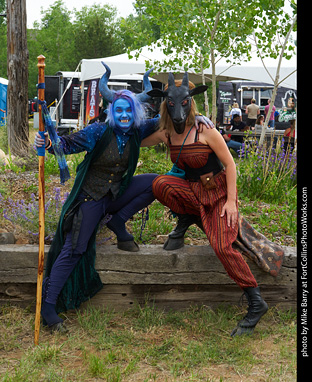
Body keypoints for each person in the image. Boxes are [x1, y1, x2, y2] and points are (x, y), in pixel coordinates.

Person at [34, 63, 210, 332]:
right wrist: (46, 142)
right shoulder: (98, 132)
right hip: (91, 198)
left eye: (129, 110)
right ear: (111, 112)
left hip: (115, 195)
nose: (125, 115)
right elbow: (66, 144)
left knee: (157, 182)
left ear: (135, 112)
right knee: (76, 248)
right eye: (120, 110)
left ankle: (118, 222)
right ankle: (48, 307)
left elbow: (173, 118)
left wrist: (197, 118)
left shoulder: (138, 129)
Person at [143, 72, 284, 337]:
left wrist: (231, 202)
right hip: (194, 192)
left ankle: (256, 302)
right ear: (165, 103)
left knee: (221, 245)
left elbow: (230, 165)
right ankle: (187, 218)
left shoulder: (205, 130)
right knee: (161, 184)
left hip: (218, 194)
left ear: (190, 102)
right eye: (172, 103)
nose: (178, 109)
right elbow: (137, 142)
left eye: (183, 103)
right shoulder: (166, 133)